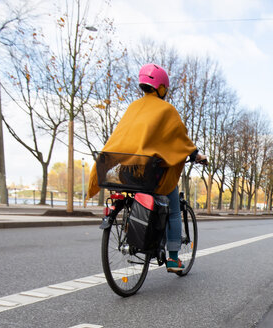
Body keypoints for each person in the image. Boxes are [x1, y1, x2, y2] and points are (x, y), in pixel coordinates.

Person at [87, 63, 207, 273]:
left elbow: (121, 137)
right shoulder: (166, 110)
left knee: (138, 198)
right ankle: (173, 258)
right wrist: (197, 155)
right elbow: (180, 139)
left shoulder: (133, 108)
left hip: (127, 172)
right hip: (151, 175)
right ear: (161, 88)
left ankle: (134, 233)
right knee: (174, 211)